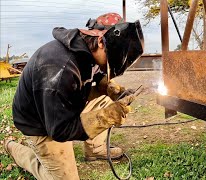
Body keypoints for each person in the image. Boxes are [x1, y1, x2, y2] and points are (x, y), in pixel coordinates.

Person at [4, 12, 144, 179]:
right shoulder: (59, 69)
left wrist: (107, 87)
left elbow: (95, 73)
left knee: (105, 97)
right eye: (109, 62)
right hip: (40, 123)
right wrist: (104, 117)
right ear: (100, 41)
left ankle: (95, 149)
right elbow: (60, 130)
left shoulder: (87, 48)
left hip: (62, 105)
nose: (107, 67)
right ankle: (14, 149)